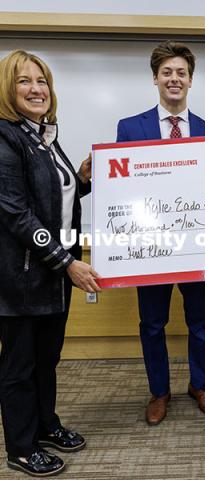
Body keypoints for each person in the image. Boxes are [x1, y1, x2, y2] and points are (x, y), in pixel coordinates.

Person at [0, 50, 101, 477]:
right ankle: (21, 447)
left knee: (47, 358)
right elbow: (16, 213)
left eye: (41, 81)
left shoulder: (43, 135)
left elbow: (51, 199)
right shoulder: (5, 138)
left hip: (53, 275)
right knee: (19, 365)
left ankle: (45, 425)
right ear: (8, 90)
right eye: (24, 81)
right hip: (21, 277)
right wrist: (68, 263)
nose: (36, 89)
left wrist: (81, 180)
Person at [116, 41, 205, 425]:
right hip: (151, 248)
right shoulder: (130, 128)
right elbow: (123, 193)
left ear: (190, 80)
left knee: (201, 323)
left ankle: (200, 385)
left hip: (198, 246)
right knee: (153, 324)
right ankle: (159, 391)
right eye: (167, 72)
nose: (174, 79)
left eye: (181, 73)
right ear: (155, 79)